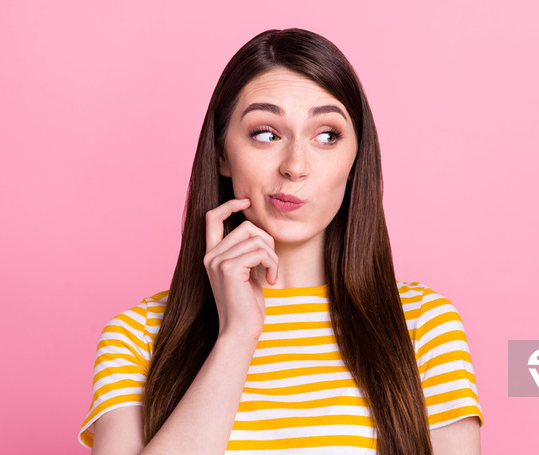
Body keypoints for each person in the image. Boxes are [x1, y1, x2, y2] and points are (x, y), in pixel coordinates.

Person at [79, 28, 483, 454]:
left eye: (326, 135)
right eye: (266, 133)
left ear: (356, 157)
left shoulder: (421, 325)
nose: (295, 166)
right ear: (221, 153)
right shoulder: (137, 337)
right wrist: (236, 337)